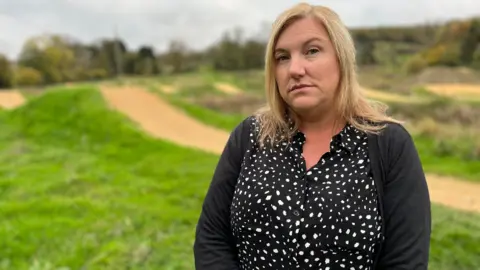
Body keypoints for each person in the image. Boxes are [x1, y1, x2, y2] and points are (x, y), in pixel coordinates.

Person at [193, 2, 431, 269]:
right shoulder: (250, 137)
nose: (295, 69)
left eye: (312, 51)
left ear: (342, 59)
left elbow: (405, 261)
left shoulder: (389, 145)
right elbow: (212, 239)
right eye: (282, 57)